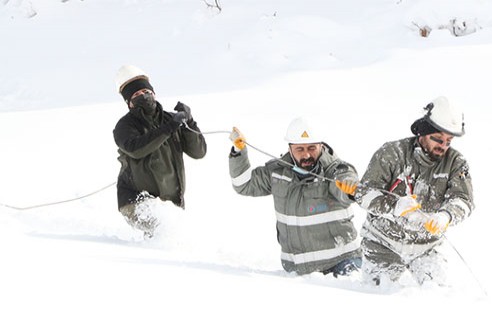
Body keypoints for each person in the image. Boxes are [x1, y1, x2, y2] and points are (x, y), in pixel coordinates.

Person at [335, 96, 474, 286]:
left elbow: (464, 200)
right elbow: (364, 194)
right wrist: (394, 206)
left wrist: (446, 217)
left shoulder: (456, 163)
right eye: (438, 139)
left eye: (448, 141)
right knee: (380, 295)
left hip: (427, 247)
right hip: (382, 242)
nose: (443, 146)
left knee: (437, 295)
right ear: (423, 133)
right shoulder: (391, 153)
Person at [228, 117, 361, 277]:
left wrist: (349, 187)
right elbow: (244, 184)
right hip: (298, 272)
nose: (306, 155)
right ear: (290, 149)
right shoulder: (277, 172)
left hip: (342, 264)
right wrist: (239, 151)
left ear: (321, 145)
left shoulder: (334, 170)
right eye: (300, 149)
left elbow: (345, 180)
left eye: (312, 148)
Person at [113, 65, 207, 236]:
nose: (143, 96)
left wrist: (190, 122)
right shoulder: (125, 127)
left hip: (171, 203)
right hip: (135, 200)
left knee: (176, 236)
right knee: (166, 233)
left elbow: (198, 152)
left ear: (153, 93)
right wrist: (169, 128)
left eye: (145, 91)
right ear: (129, 103)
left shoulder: (171, 119)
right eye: (136, 95)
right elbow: (136, 149)